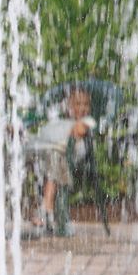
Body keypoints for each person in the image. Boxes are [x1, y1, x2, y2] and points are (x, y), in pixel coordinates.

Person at [28, 87, 95, 234]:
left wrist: (73, 127)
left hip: (71, 156)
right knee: (34, 153)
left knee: (55, 157)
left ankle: (46, 208)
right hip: (51, 154)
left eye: (86, 104)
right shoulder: (61, 122)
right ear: (68, 106)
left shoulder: (87, 121)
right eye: (77, 104)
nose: (82, 108)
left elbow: (77, 132)